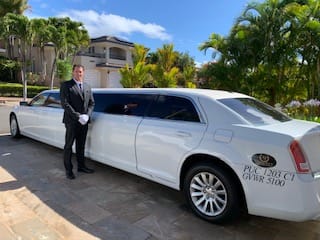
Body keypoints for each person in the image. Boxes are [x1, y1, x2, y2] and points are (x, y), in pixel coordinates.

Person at [60, 64, 95, 179]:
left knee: (81, 146)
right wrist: (78, 116)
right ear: (73, 72)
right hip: (71, 121)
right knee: (69, 146)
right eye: (76, 71)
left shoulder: (87, 86)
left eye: (80, 72)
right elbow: (65, 103)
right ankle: (68, 170)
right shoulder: (66, 85)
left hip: (83, 122)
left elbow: (91, 103)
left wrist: (87, 116)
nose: (78, 74)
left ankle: (81, 166)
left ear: (83, 73)